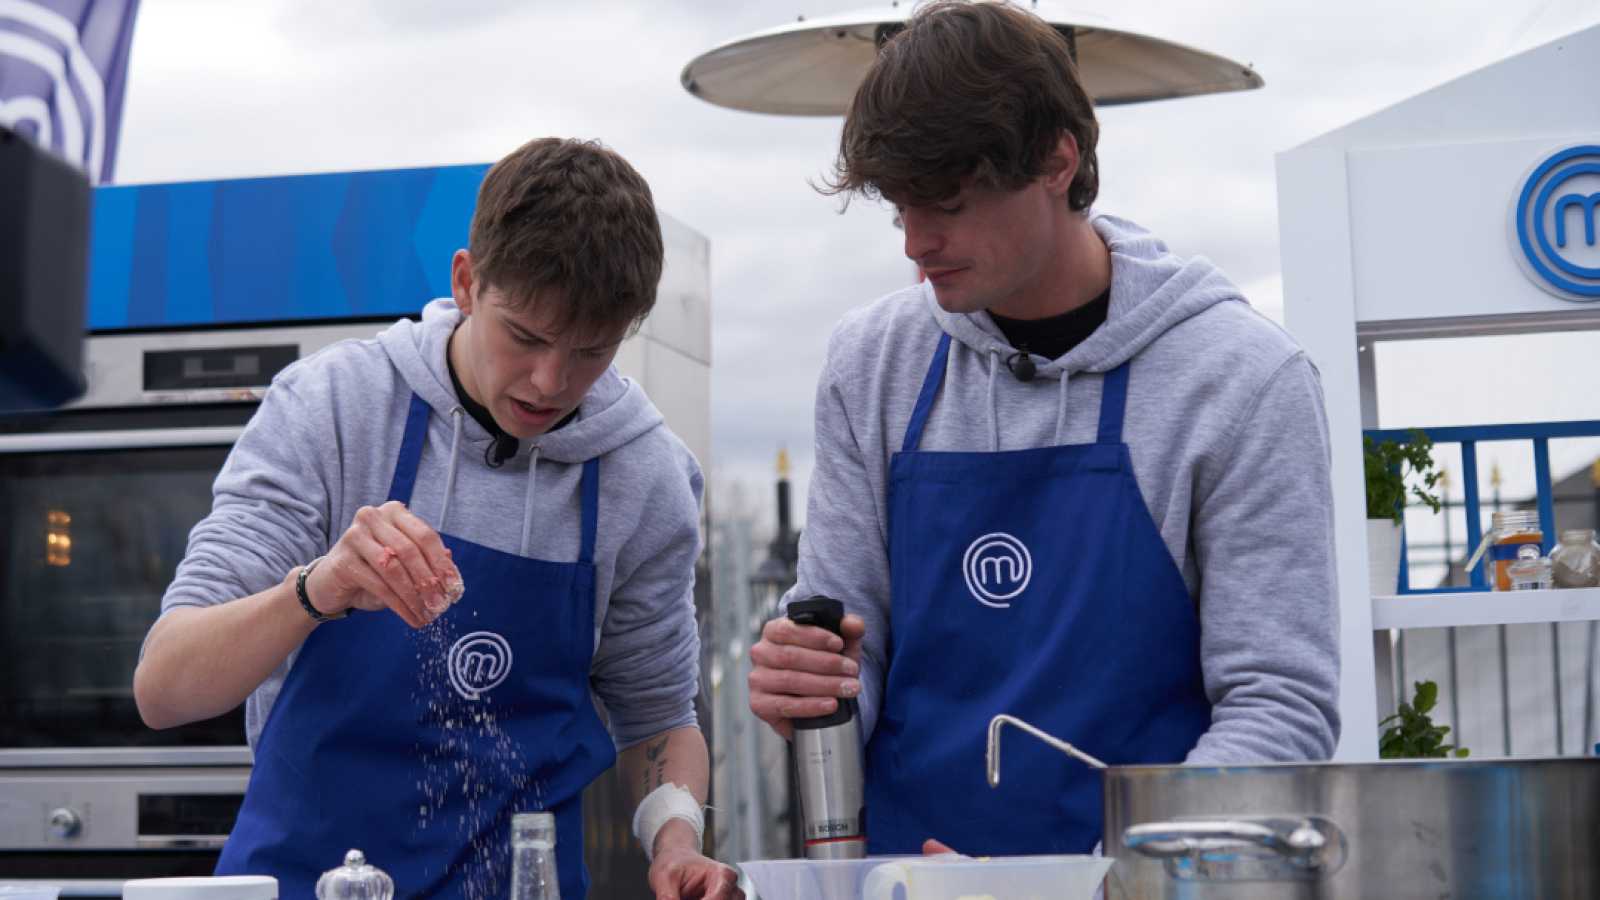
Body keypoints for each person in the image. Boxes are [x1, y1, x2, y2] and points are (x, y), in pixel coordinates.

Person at [747, 0, 1340, 857]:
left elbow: (1279, 704)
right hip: (910, 878)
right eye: (899, 207)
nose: (916, 243)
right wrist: (811, 689)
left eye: (947, 203)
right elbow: (855, 657)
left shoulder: (1241, 379)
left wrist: (1109, 879)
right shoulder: (869, 363)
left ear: (1058, 160)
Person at [134, 137, 736, 899]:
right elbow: (165, 686)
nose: (550, 383)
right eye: (525, 336)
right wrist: (315, 591)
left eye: (590, 350)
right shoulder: (333, 408)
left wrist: (676, 841)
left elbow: (657, 719)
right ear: (466, 281)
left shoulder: (645, 476)